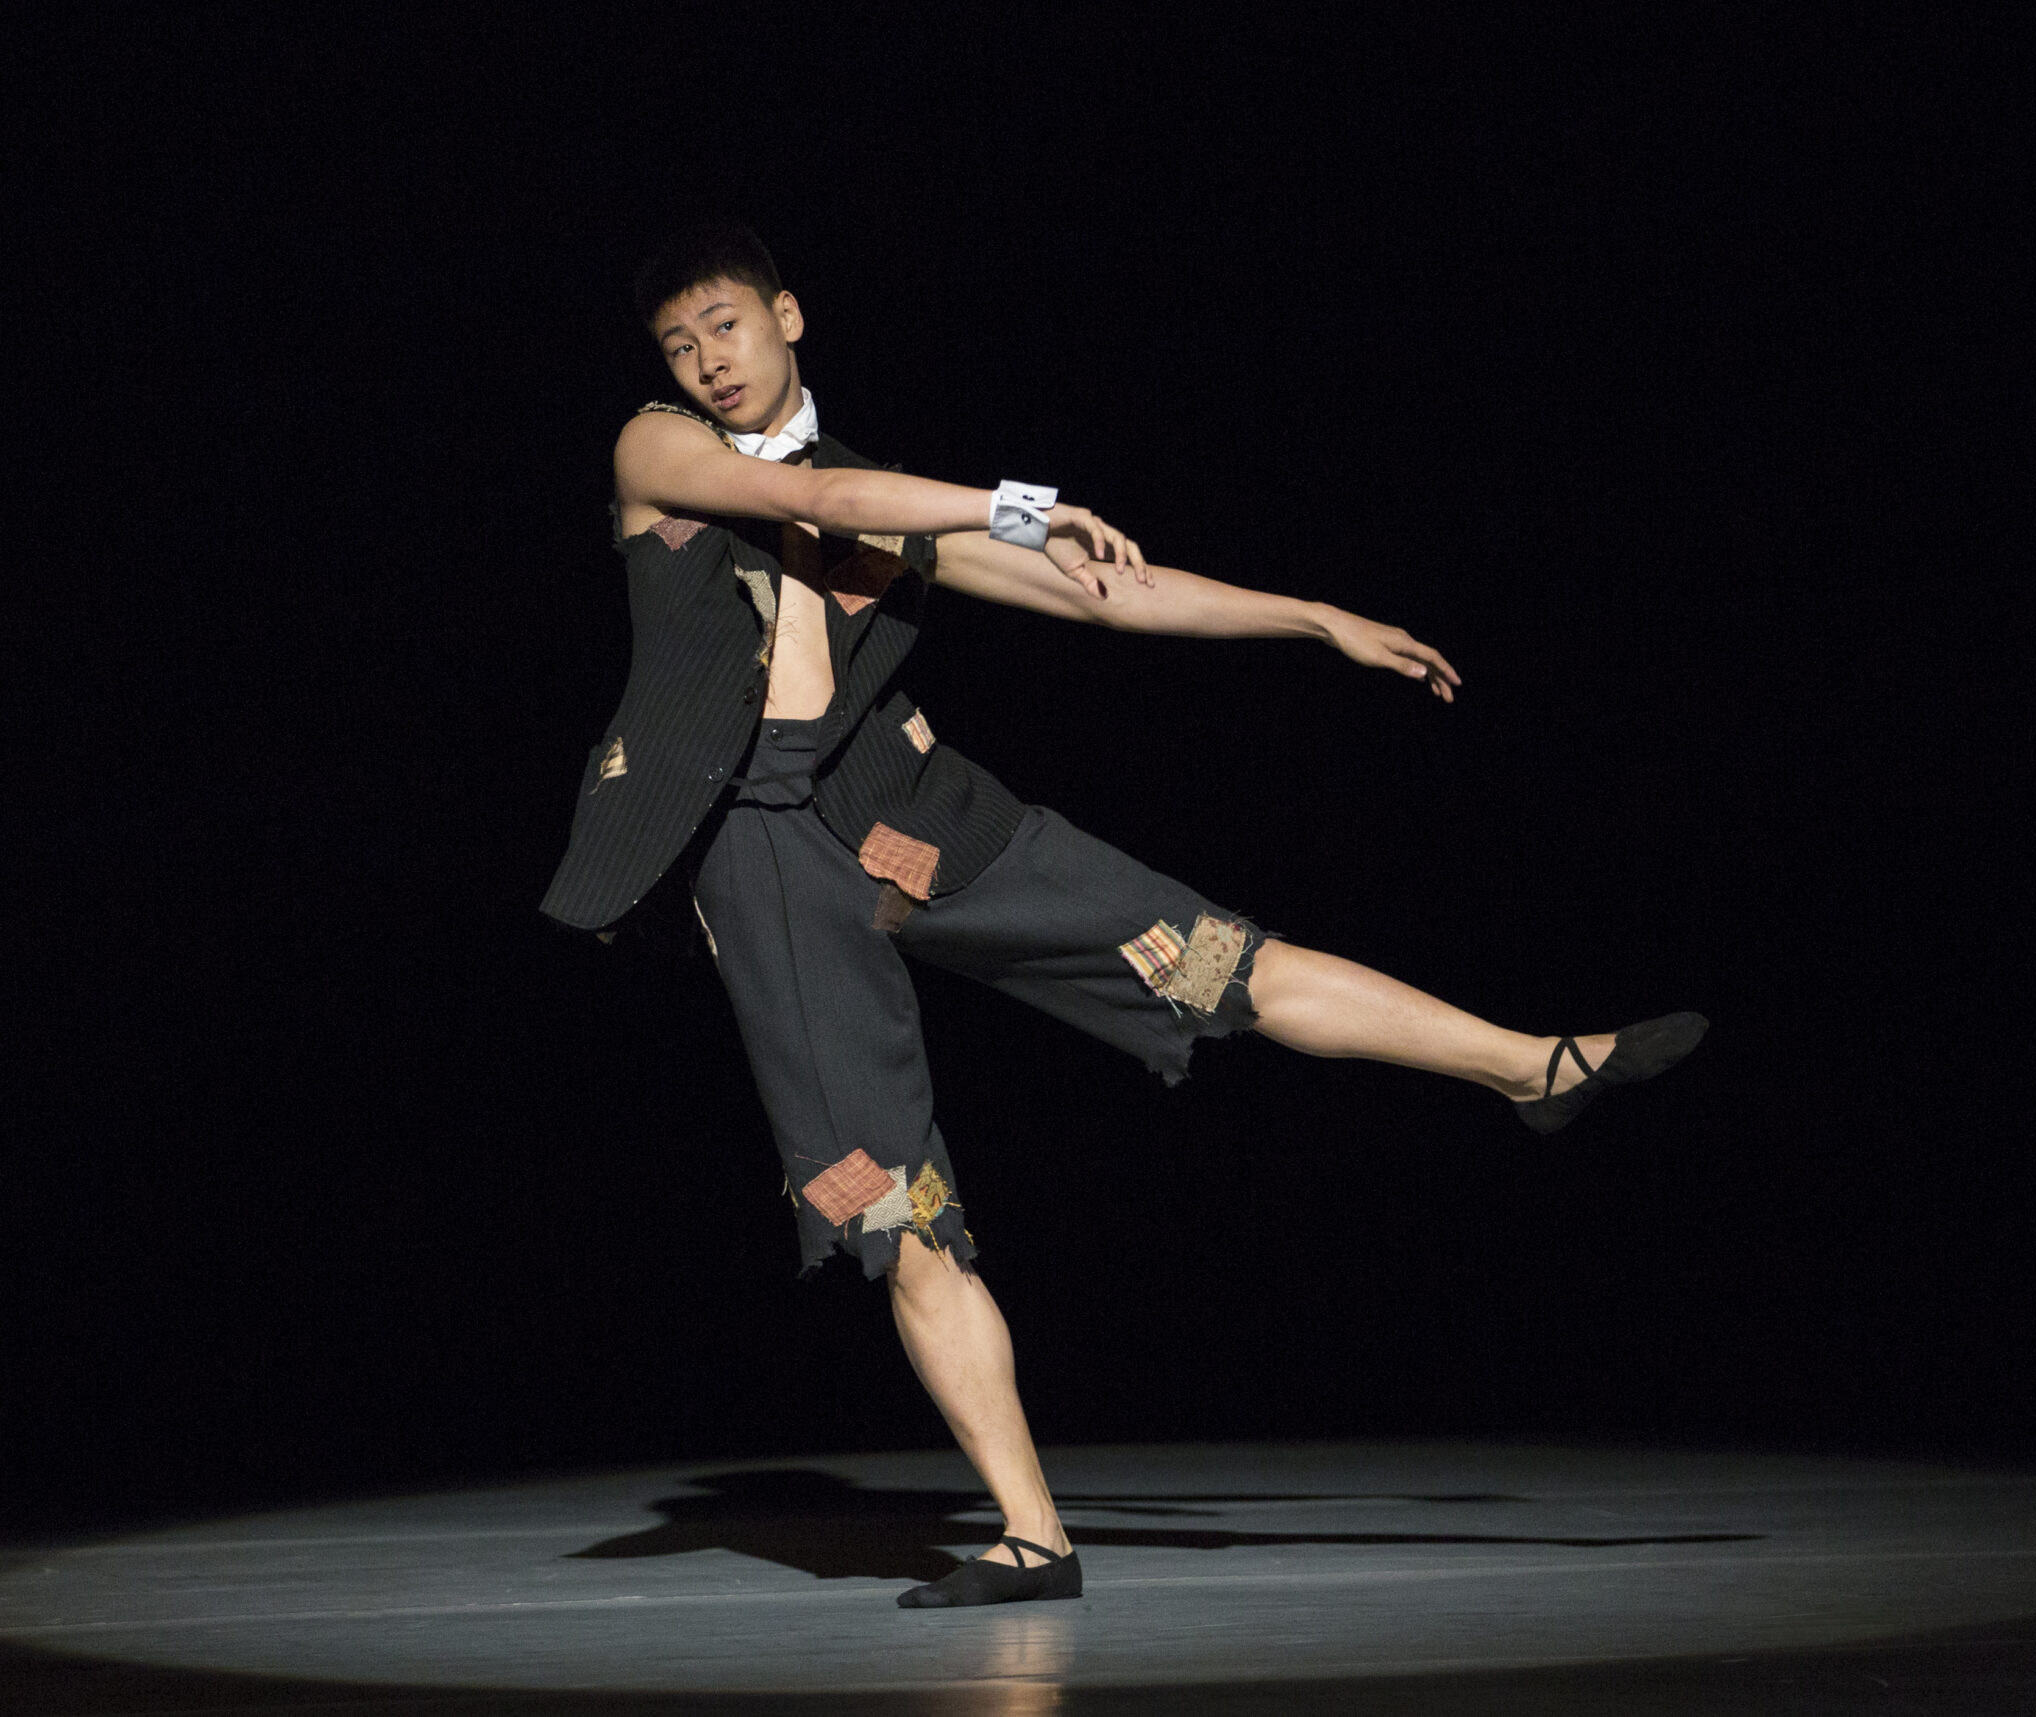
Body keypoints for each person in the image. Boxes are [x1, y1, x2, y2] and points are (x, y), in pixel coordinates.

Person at [541, 225, 1706, 1609]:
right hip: (768, 859)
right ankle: (1036, 1536)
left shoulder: (911, 508)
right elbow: (836, 491)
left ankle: (1533, 1065)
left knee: (1220, 954)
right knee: (897, 1205)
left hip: (916, 815)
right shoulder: (658, 450)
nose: (704, 360)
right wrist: (1013, 502)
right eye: (680, 343)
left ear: (788, 314)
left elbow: (1117, 590)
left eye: (724, 326)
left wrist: (1313, 614)